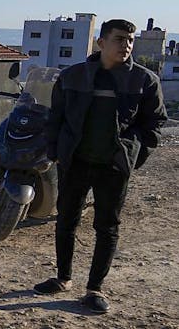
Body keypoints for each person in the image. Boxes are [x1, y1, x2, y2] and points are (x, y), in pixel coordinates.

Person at [33, 19, 167, 313]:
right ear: (101, 43)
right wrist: (55, 152)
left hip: (114, 166)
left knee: (107, 227)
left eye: (129, 40)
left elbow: (155, 123)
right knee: (66, 220)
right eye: (120, 39)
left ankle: (94, 289)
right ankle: (63, 277)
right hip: (75, 162)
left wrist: (133, 154)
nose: (126, 45)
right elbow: (56, 117)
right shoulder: (73, 76)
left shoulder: (144, 81)